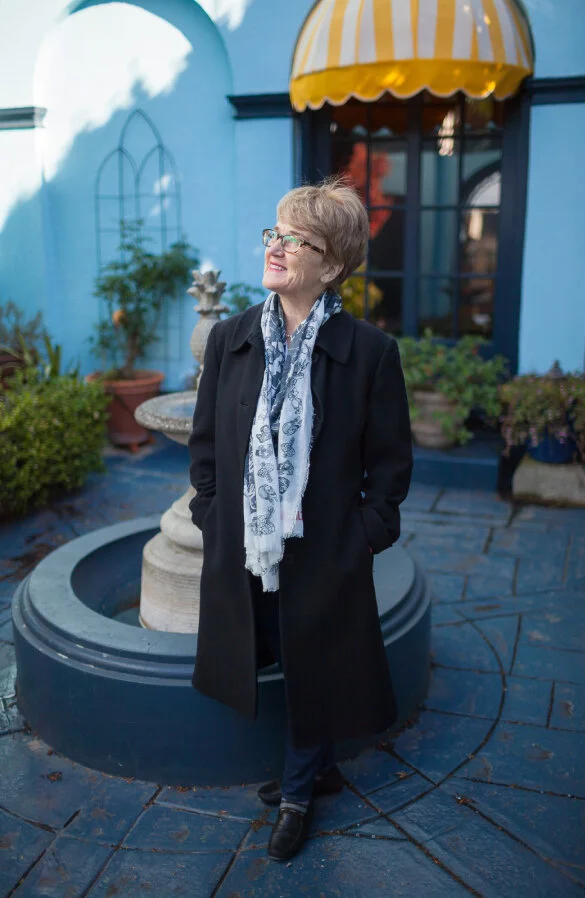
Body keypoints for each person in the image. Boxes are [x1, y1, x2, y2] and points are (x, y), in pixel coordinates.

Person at [188, 177, 413, 861]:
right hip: (249, 543)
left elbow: (391, 464)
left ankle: (295, 794)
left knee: (315, 659)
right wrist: (211, 514)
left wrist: (365, 536)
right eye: (276, 233)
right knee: (288, 655)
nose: (277, 247)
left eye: (298, 239)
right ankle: (319, 767)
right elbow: (205, 445)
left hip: (325, 549)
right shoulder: (229, 338)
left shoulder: (370, 352)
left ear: (332, 265)